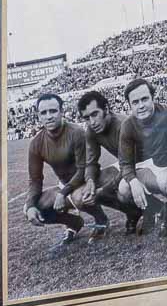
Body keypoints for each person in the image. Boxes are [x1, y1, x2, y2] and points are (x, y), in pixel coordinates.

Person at [24, 93, 109, 244]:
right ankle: (74, 223)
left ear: (62, 112)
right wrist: (31, 206)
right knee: (30, 207)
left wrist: (63, 193)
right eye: (44, 112)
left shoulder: (76, 132)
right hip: (64, 186)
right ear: (38, 116)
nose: (49, 116)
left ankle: (101, 219)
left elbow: (83, 169)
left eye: (53, 111)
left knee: (79, 198)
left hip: (86, 181)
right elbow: (35, 180)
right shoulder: (36, 143)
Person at [76, 90, 141, 235]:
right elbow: (91, 162)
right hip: (126, 165)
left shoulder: (123, 125)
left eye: (95, 114)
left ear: (106, 109)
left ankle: (157, 208)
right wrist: (90, 181)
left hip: (143, 164)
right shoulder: (91, 131)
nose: (92, 122)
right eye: (87, 118)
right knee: (90, 191)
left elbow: (131, 164)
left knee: (116, 189)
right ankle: (134, 212)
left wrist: (105, 189)